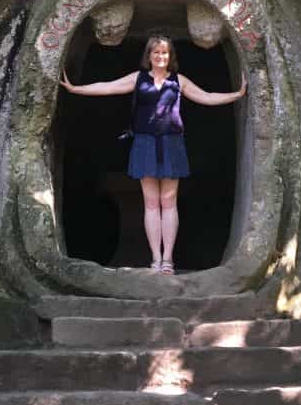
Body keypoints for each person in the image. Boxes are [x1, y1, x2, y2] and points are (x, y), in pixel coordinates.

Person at [60, 34, 246, 275]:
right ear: (149, 56)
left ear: (171, 57)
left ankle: (168, 259)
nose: (160, 57)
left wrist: (237, 95)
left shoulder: (179, 81)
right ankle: (155, 259)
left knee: (168, 202)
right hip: (145, 143)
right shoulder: (138, 78)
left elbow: (206, 97)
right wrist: (76, 89)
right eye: (156, 53)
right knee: (150, 203)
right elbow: (108, 87)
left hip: (172, 143)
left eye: (165, 53)